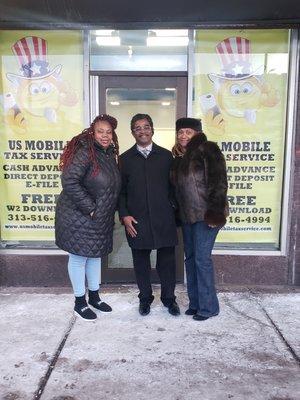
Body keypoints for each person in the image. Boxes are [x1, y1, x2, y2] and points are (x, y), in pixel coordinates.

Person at [55, 114, 121, 321]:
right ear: (92, 132)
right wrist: (91, 209)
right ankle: (79, 302)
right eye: (100, 131)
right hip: (80, 217)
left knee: (94, 256)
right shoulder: (84, 151)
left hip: (98, 217)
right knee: (78, 258)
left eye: (108, 132)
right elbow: (70, 181)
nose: (105, 135)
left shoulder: (108, 153)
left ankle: (94, 296)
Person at [118, 113, 180, 316]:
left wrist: (173, 209)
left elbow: (174, 188)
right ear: (132, 132)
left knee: (167, 262)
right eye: (137, 128)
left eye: (146, 127)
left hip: (164, 218)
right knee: (141, 262)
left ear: (152, 129)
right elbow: (121, 191)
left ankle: (169, 299)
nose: (142, 131)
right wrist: (125, 215)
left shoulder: (165, 156)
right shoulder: (125, 159)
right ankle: (144, 299)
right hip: (137, 219)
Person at [171, 117, 228, 321]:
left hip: (206, 216)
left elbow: (219, 182)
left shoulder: (207, 149)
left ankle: (209, 307)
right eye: (180, 132)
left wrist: (215, 213)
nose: (183, 135)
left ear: (197, 133)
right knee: (190, 259)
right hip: (188, 216)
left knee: (202, 260)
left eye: (188, 131)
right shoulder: (180, 156)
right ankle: (195, 303)